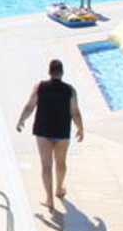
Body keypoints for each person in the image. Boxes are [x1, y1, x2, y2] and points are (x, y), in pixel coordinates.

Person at [16, 59, 84, 216]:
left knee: (46, 166)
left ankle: (49, 199)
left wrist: (21, 120)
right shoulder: (70, 90)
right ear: (62, 72)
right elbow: (75, 112)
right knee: (61, 163)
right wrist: (80, 128)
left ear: (49, 72)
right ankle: (59, 189)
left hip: (43, 131)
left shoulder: (40, 87)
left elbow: (30, 106)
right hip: (62, 131)